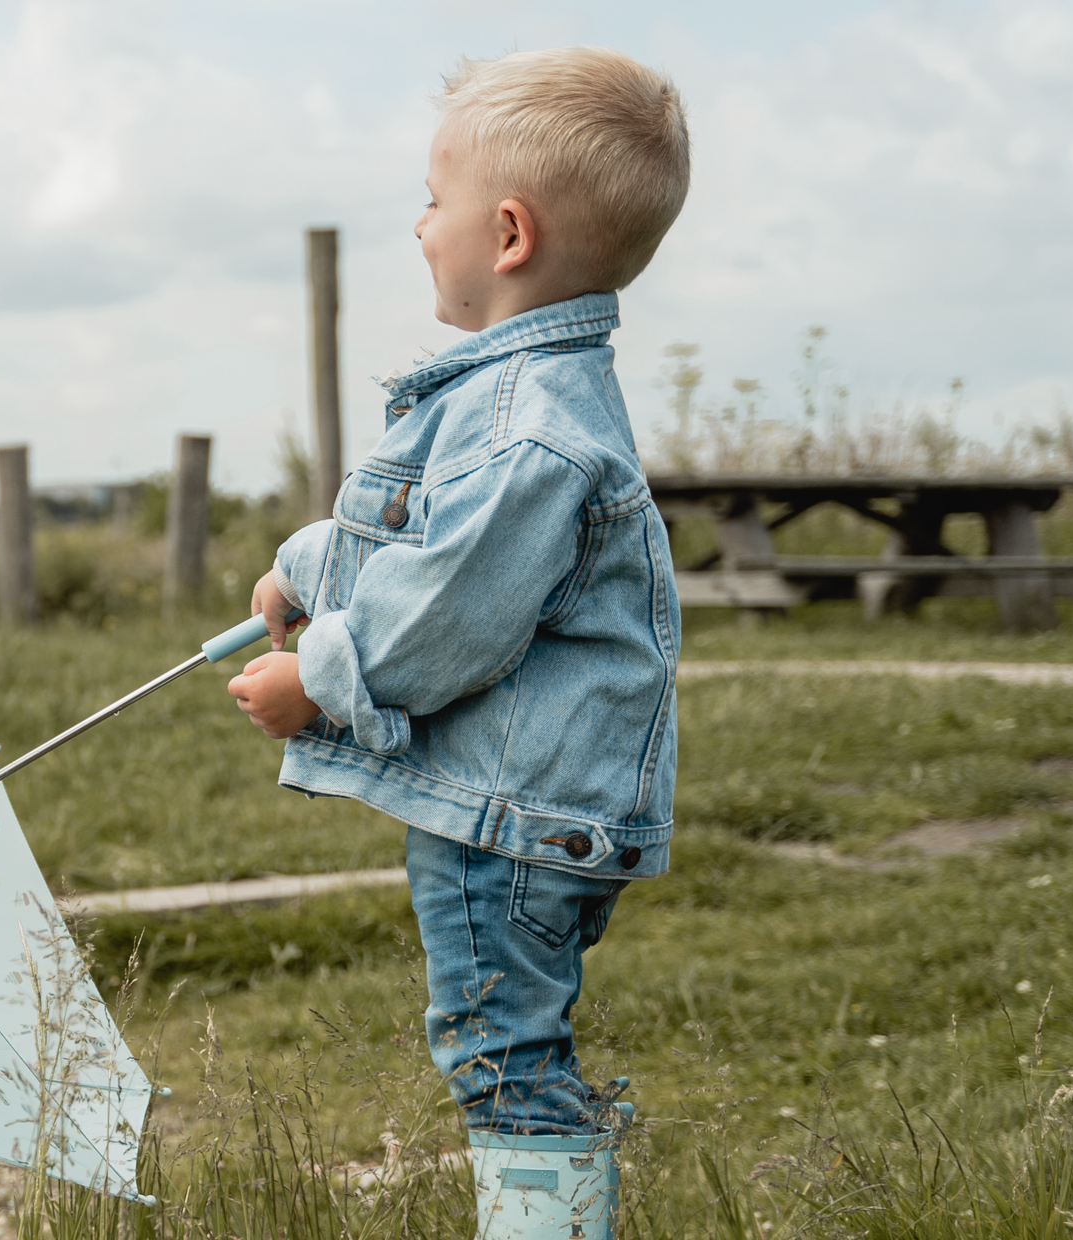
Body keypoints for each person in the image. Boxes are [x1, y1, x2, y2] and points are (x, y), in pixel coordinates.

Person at [226, 46, 689, 1240]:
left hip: (512, 818)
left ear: (511, 233)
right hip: (522, 807)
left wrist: (320, 683)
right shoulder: (516, 397)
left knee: (499, 1047)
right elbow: (426, 537)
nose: (419, 222)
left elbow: (447, 609)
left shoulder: (534, 424)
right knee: (507, 1034)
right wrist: (305, 565)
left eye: (435, 200)